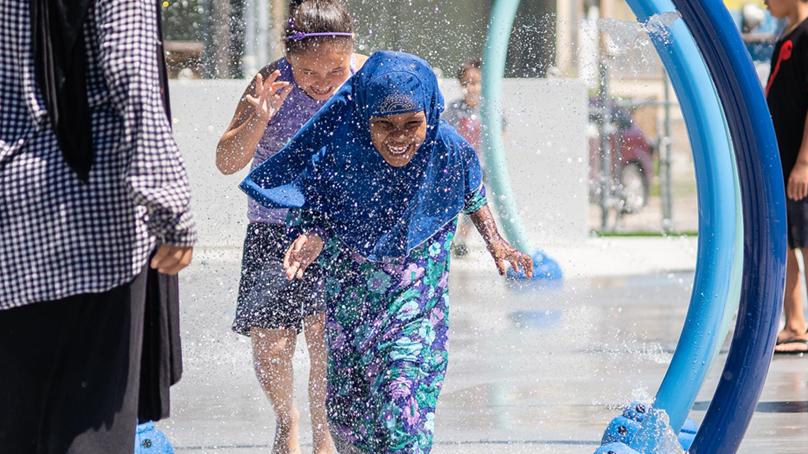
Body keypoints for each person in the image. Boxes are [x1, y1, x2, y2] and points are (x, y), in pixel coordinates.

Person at [241, 51, 533, 453]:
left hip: (414, 303)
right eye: (385, 126)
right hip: (351, 305)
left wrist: (495, 241)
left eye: (411, 125)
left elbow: (472, 191)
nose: (399, 138)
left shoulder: (446, 148)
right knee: (347, 421)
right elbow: (317, 205)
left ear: (429, 115)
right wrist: (312, 235)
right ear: (365, 118)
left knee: (401, 403)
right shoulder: (341, 150)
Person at [0, 1, 196, 453]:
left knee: (15, 422)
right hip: (92, 216)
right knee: (90, 421)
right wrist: (171, 207)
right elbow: (130, 67)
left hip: (8, 212)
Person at [215, 0, 365, 451]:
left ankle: (324, 435)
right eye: (310, 74)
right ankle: (286, 418)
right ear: (290, 58)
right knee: (272, 344)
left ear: (350, 51)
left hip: (335, 231)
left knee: (324, 338)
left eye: (332, 72)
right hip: (272, 228)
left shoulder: (365, 82)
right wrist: (258, 118)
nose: (321, 85)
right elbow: (226, 162)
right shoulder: (269, 82)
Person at [765, 0, 808, 354]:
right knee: (785, 243)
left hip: (800, 164)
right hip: (782, 160)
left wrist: (804, 164)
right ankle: (795, 323)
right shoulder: (786, 36)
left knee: (806, 243)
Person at [442, 58, 506, 257]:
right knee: (454, 202)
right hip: (458, 166)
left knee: (474, 203)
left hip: (482, 166)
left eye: (476, 82)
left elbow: (501, 134)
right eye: (466, 83)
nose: (471, 87)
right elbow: (444, 135)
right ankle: (448, 237)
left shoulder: (489, 109)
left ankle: (462, 238)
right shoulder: (454, 109)